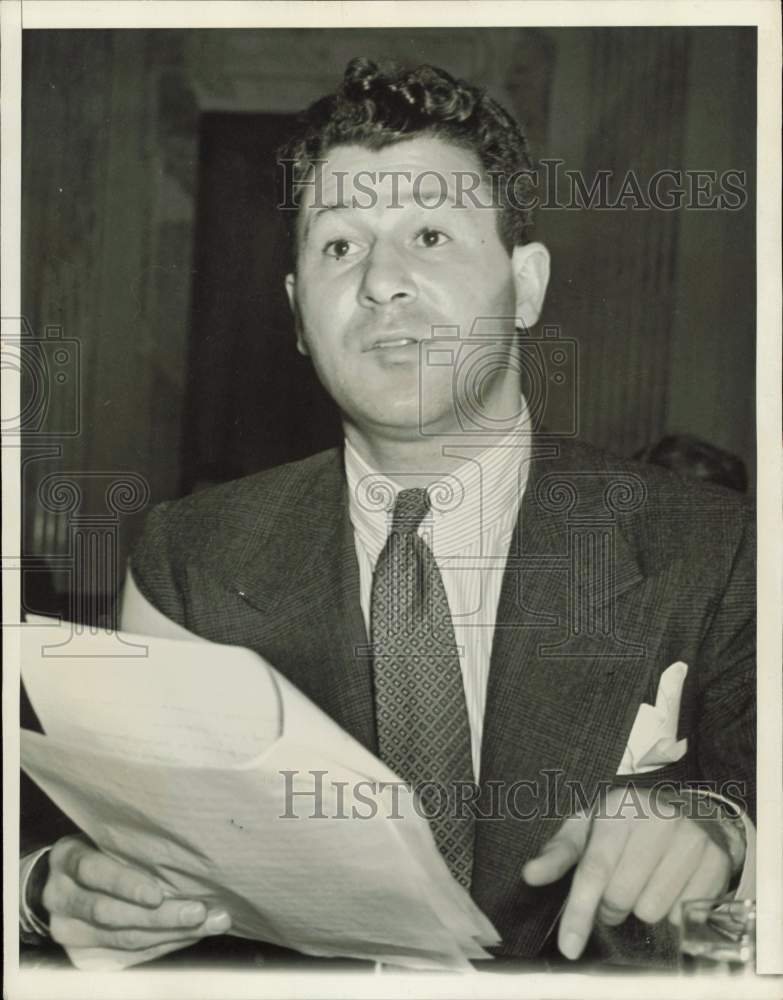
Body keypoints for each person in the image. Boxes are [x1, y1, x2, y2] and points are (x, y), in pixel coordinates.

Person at [21, 57, 755, 970]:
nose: (379, 282)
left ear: (525, 286)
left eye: (432, 236)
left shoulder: (717, 545)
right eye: (337, 245)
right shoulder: (191, 557)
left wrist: (721, 830)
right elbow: (81, 826)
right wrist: (51, 884)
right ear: (297, 314)